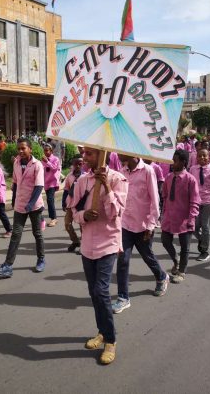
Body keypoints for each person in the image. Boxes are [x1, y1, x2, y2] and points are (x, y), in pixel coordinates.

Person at [71, 147, 128, 365]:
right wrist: (84, 215)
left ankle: (111, 340)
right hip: (87, 244)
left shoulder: (118, 179)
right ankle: (102, 331)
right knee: (93, 291)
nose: (85, 158)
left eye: (90, 154)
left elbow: (116, 214)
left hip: (109, 242)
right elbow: (73, 212)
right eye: (84, 154)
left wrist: (105, 185)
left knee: (101, 289)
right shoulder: (82, 181)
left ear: (102, 156)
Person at [112, 154, 169, 314]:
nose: (117, 153)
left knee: (147, 255)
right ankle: (123, 297)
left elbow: (154, 199)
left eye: (121, 151)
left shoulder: (148, 171)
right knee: (123, 259)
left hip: (144, 224)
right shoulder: (121, 171)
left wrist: (151, 225)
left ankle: (162, 276)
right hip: (125, 223)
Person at [0, 138, 46, 277]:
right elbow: (16, 182)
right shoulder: (16, 162)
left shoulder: (37, 165)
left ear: (30, 149)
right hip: (20, 205)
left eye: (23, 148)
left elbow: (39, 186)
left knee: (37, 233)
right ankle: (8, 265)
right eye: (19, 149)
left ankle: (41, 259)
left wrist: (30, 203)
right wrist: (15, 197)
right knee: (16, 235)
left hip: (34, 205)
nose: (21, 151)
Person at [161, 149, 200, 283]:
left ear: (183, 162)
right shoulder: (168, 177)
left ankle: (181, 271)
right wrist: (163, 213)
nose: (173, 163)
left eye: (175, 160)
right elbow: (165, 196)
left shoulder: (190, 180)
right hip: (169, 216)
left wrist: (192, 217)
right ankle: (175, 259)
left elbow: (195, 201)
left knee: (185, 247)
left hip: (185, 218)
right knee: (165, 240)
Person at [189, 148, 210, 261]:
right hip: (196, 202)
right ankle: (202, 240)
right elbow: (189, 185)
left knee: (206, 227)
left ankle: (204, 251)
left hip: (208, 202)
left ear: (209, 157)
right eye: (200, 156)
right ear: (196, 157)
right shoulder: (193, 169)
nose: (202, 158)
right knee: (193, 227)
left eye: (204, 156)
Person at [62, 154, 84, 253]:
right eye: (76, 164)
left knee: (82, 226)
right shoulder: (70, 176)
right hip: (71, 203)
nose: (78, 166)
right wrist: (63, 202)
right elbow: (66, 189)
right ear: (73, 164)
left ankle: (84, 245)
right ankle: (75, 241)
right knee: (67, 224)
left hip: (81, 204)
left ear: (83, 164)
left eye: (80, 164)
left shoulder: (86, 176)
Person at [42, 143, 61, 227]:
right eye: (44, 150)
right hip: (46, 183)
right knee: (49, 200)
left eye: (47, 150)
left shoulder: (55, 159)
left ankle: (54, 218)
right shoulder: (42, 160)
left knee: (50, 200)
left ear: (51, 151)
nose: (45, 152)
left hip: (52, 183)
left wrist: (47, 162)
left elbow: (55, 169)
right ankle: (51, 218)